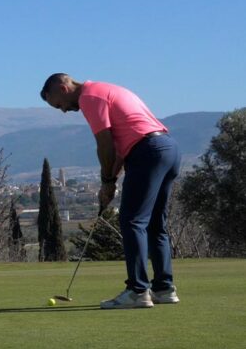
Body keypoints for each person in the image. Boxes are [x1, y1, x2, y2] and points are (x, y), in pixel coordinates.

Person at [40, 74, 181, 309]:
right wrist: (111, 180)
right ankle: (164, 288)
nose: (63, 110)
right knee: (156, 223)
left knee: (132, 221)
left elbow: (105, 144)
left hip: (147, 152)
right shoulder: (106, 90)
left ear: (63, 88)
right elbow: (119, 149)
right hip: (168, 149)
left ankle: (137, 291)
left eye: (58, 104)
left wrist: (106, 181)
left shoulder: (89, 98)